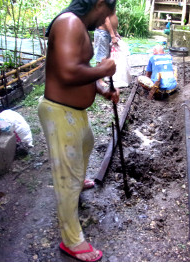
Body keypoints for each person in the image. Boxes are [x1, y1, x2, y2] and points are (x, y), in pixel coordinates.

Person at [42, 0, 118, 261]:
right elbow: (66, 73)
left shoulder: (80, 27)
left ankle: (77, 182)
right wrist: (104, 69)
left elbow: (82, 70)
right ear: (98, 3)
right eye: (106, 14)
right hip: (59, 111)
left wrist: (102, 89)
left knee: (87, 144)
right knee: (65, 179)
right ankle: (71, 242)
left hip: (74, 112)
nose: (104, 21)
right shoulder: (69, 23)